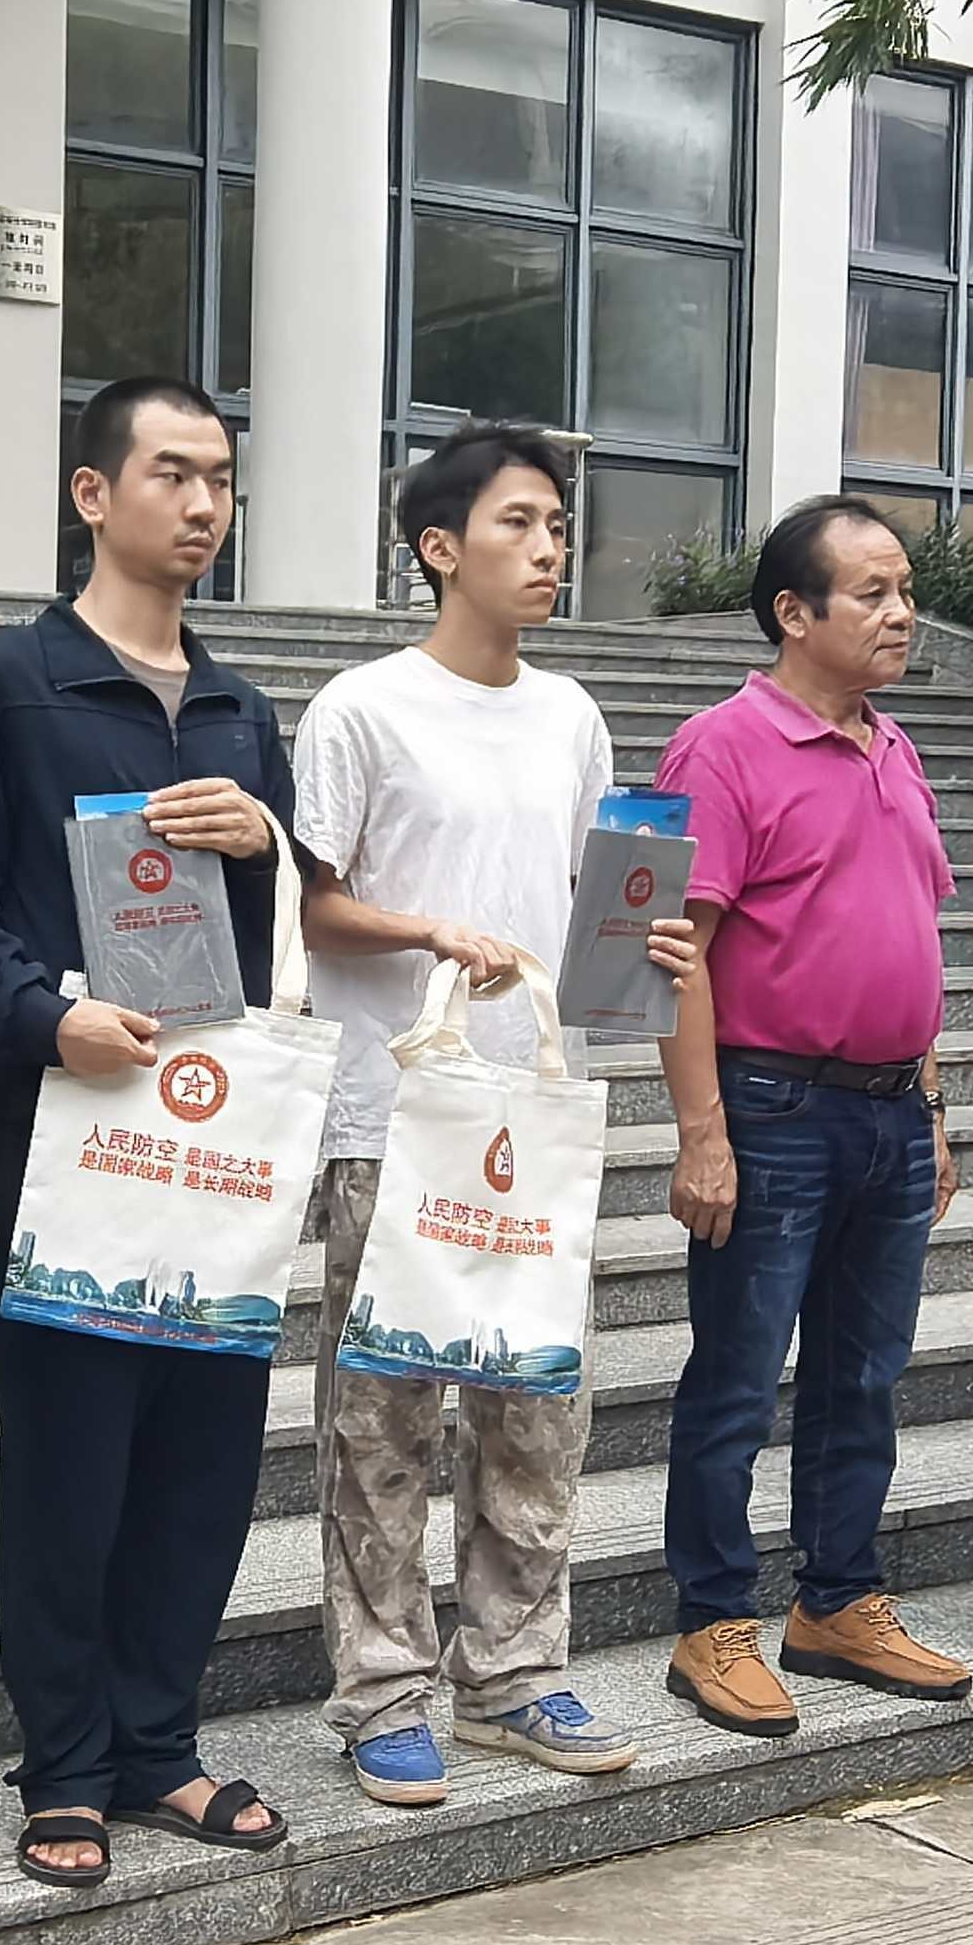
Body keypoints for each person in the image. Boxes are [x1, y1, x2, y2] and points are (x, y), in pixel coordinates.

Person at [0, 376, 295, 1890]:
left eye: (220, 479)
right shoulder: (11, 685)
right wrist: (42, 1020)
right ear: (92, 494)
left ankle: (160, 1744)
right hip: (77, 1126)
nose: (202, 505)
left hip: (220, 1133)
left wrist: (269, 843)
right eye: (171, 474)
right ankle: (66, 1764)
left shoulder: (241, 709)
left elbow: (280, 940)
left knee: (204, 1454)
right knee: (71, 1458)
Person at [294, 424, 689, 1806]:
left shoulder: (569, 715)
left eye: (558, 526)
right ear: (438, 547)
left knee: (534, 1410)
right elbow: (315, 908)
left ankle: (514, 1676)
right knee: (383, 1418)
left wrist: (647, 949)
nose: (548, 548)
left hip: (533, 1107)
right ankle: (382, 1692)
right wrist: (429, 929)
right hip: (393, 1108)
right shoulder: (363, 708)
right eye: (518, 523)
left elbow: (591, 906)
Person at [652, 498, 973, 1734]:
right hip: (772, 1106)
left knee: (864, 1377)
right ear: (794, 612)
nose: (901, 614)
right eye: (873, 593)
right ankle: (711, 1622)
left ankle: (837, 1601)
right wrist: (702, 1133)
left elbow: (913, 936)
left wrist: (932, 1108)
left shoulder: (893, 746)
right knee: (737, 1382)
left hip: (889, 1112)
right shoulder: (722, 747)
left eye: (906, 591)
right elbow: (678, 956)